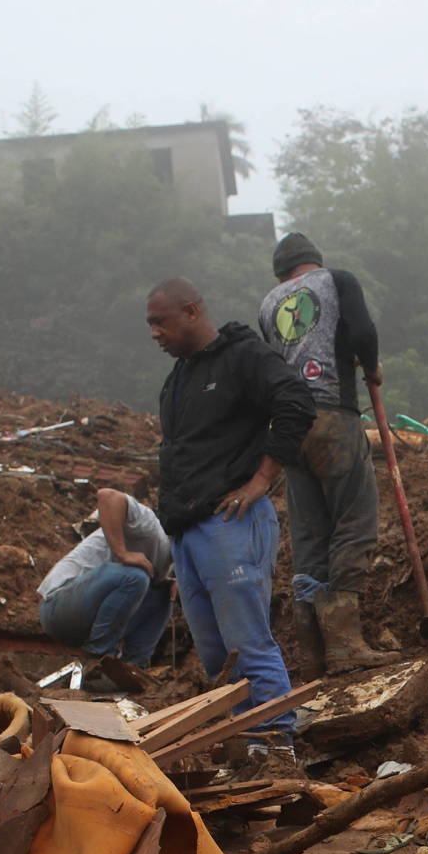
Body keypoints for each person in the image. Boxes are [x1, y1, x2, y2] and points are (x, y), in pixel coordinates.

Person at [145, 276, 314, 775]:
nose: (154, 333)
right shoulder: (177, 380)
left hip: (231, 522)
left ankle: (278, 746)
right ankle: (248, 746)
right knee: (217, 652)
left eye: (161, 321)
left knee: (247, 641)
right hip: (188, 529)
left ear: (193, 311)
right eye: (149, 324)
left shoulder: (243, 357)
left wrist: (263, 478)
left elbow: (296, 403)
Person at [257, 233, 394, 675]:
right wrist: (370, 367)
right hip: (333, 414)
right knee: (354, 520)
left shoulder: (267, 305)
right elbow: (361, 330)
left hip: (287, 429)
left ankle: (311, 650)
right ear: (314, 262)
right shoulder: (337, 280)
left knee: (311, 532)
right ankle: (344, 643)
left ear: (282, 273)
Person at [38, 487, 173, 691]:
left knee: (163, 596)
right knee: (134, 576)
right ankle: (100, 658)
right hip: (58, 607)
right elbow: (108, 496)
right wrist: (122, 553)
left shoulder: (175, 564)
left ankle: (134, 668)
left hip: (90, 622)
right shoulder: (150, 526)